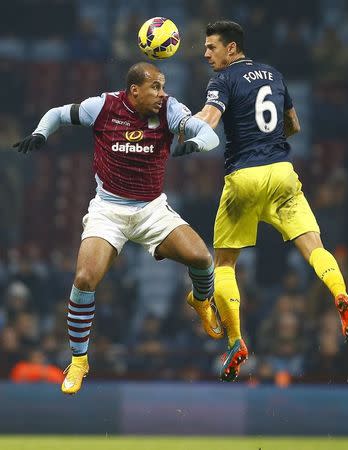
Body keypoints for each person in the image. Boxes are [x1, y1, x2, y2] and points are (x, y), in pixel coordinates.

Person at [14, 62, 224, 394]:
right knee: (84, 278)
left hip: (152, 209)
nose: (162, 93)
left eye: (163, 86)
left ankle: (201, 301)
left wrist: (196, 143)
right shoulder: (102, 106)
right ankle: (79, 361)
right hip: (108, 209)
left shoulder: (170, 109)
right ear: (134, 90)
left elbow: (209, 133)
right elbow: (57, 113)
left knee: (202, 258)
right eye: (155, 87)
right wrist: (41, 133)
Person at [190, 20, 348, 381]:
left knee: (223, 264)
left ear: (232, 48)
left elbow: (210, 117)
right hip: (282, 172)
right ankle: (341, 296)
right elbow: (294, 126)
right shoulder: (274, 74)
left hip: (244, 178)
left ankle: (236, 341)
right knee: (313, 245)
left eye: (212, 47)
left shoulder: (223, 80)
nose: (206, 54)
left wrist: (184, 131)